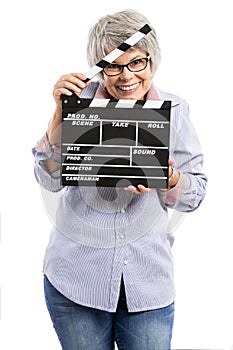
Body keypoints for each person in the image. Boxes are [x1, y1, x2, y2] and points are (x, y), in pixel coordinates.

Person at [32, 8, 207, 350]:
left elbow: (196, 193)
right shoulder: (78, 105)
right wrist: (58, 115)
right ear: (99, 67)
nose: (126, 76)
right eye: (113, 65)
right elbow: (49, 180)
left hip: (148, 286)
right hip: (76, 281)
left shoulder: (175, 110)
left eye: (136, 62)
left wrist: (168, 179)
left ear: (152, 61)